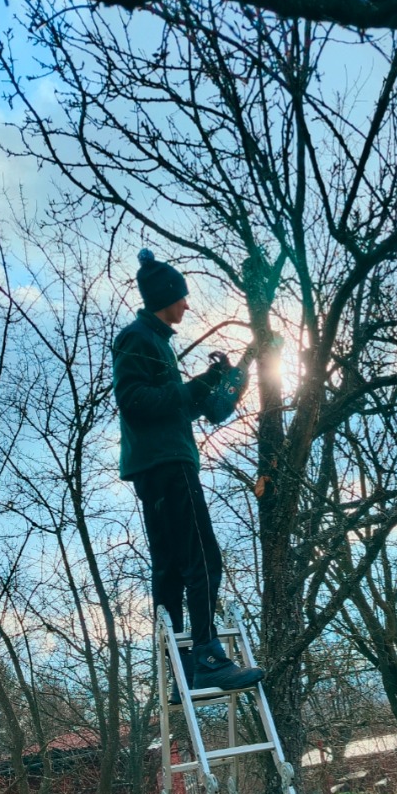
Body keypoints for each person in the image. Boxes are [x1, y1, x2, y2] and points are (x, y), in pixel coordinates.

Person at [113, 248, 264, 698]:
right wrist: (195, 386)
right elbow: (136, 402)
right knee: (203, 558)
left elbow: (208, 409)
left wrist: (237, 374)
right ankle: (207, 655)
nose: (187, 305)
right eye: (182, 297)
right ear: (165, 297)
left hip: (157, 467)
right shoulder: (138, 339)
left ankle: (180, 671)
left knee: (172, 568)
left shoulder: (156, 342)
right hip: (166, 465)